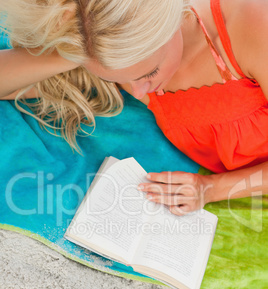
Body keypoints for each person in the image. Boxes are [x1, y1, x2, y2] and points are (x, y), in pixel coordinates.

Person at [0, 0, 268, 215]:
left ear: (172, 21)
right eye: (118, 79)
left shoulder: (252, 22)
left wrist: (212, 188)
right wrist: (78, 49)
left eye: (150, 72)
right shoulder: (106, 49)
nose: (140, 92)